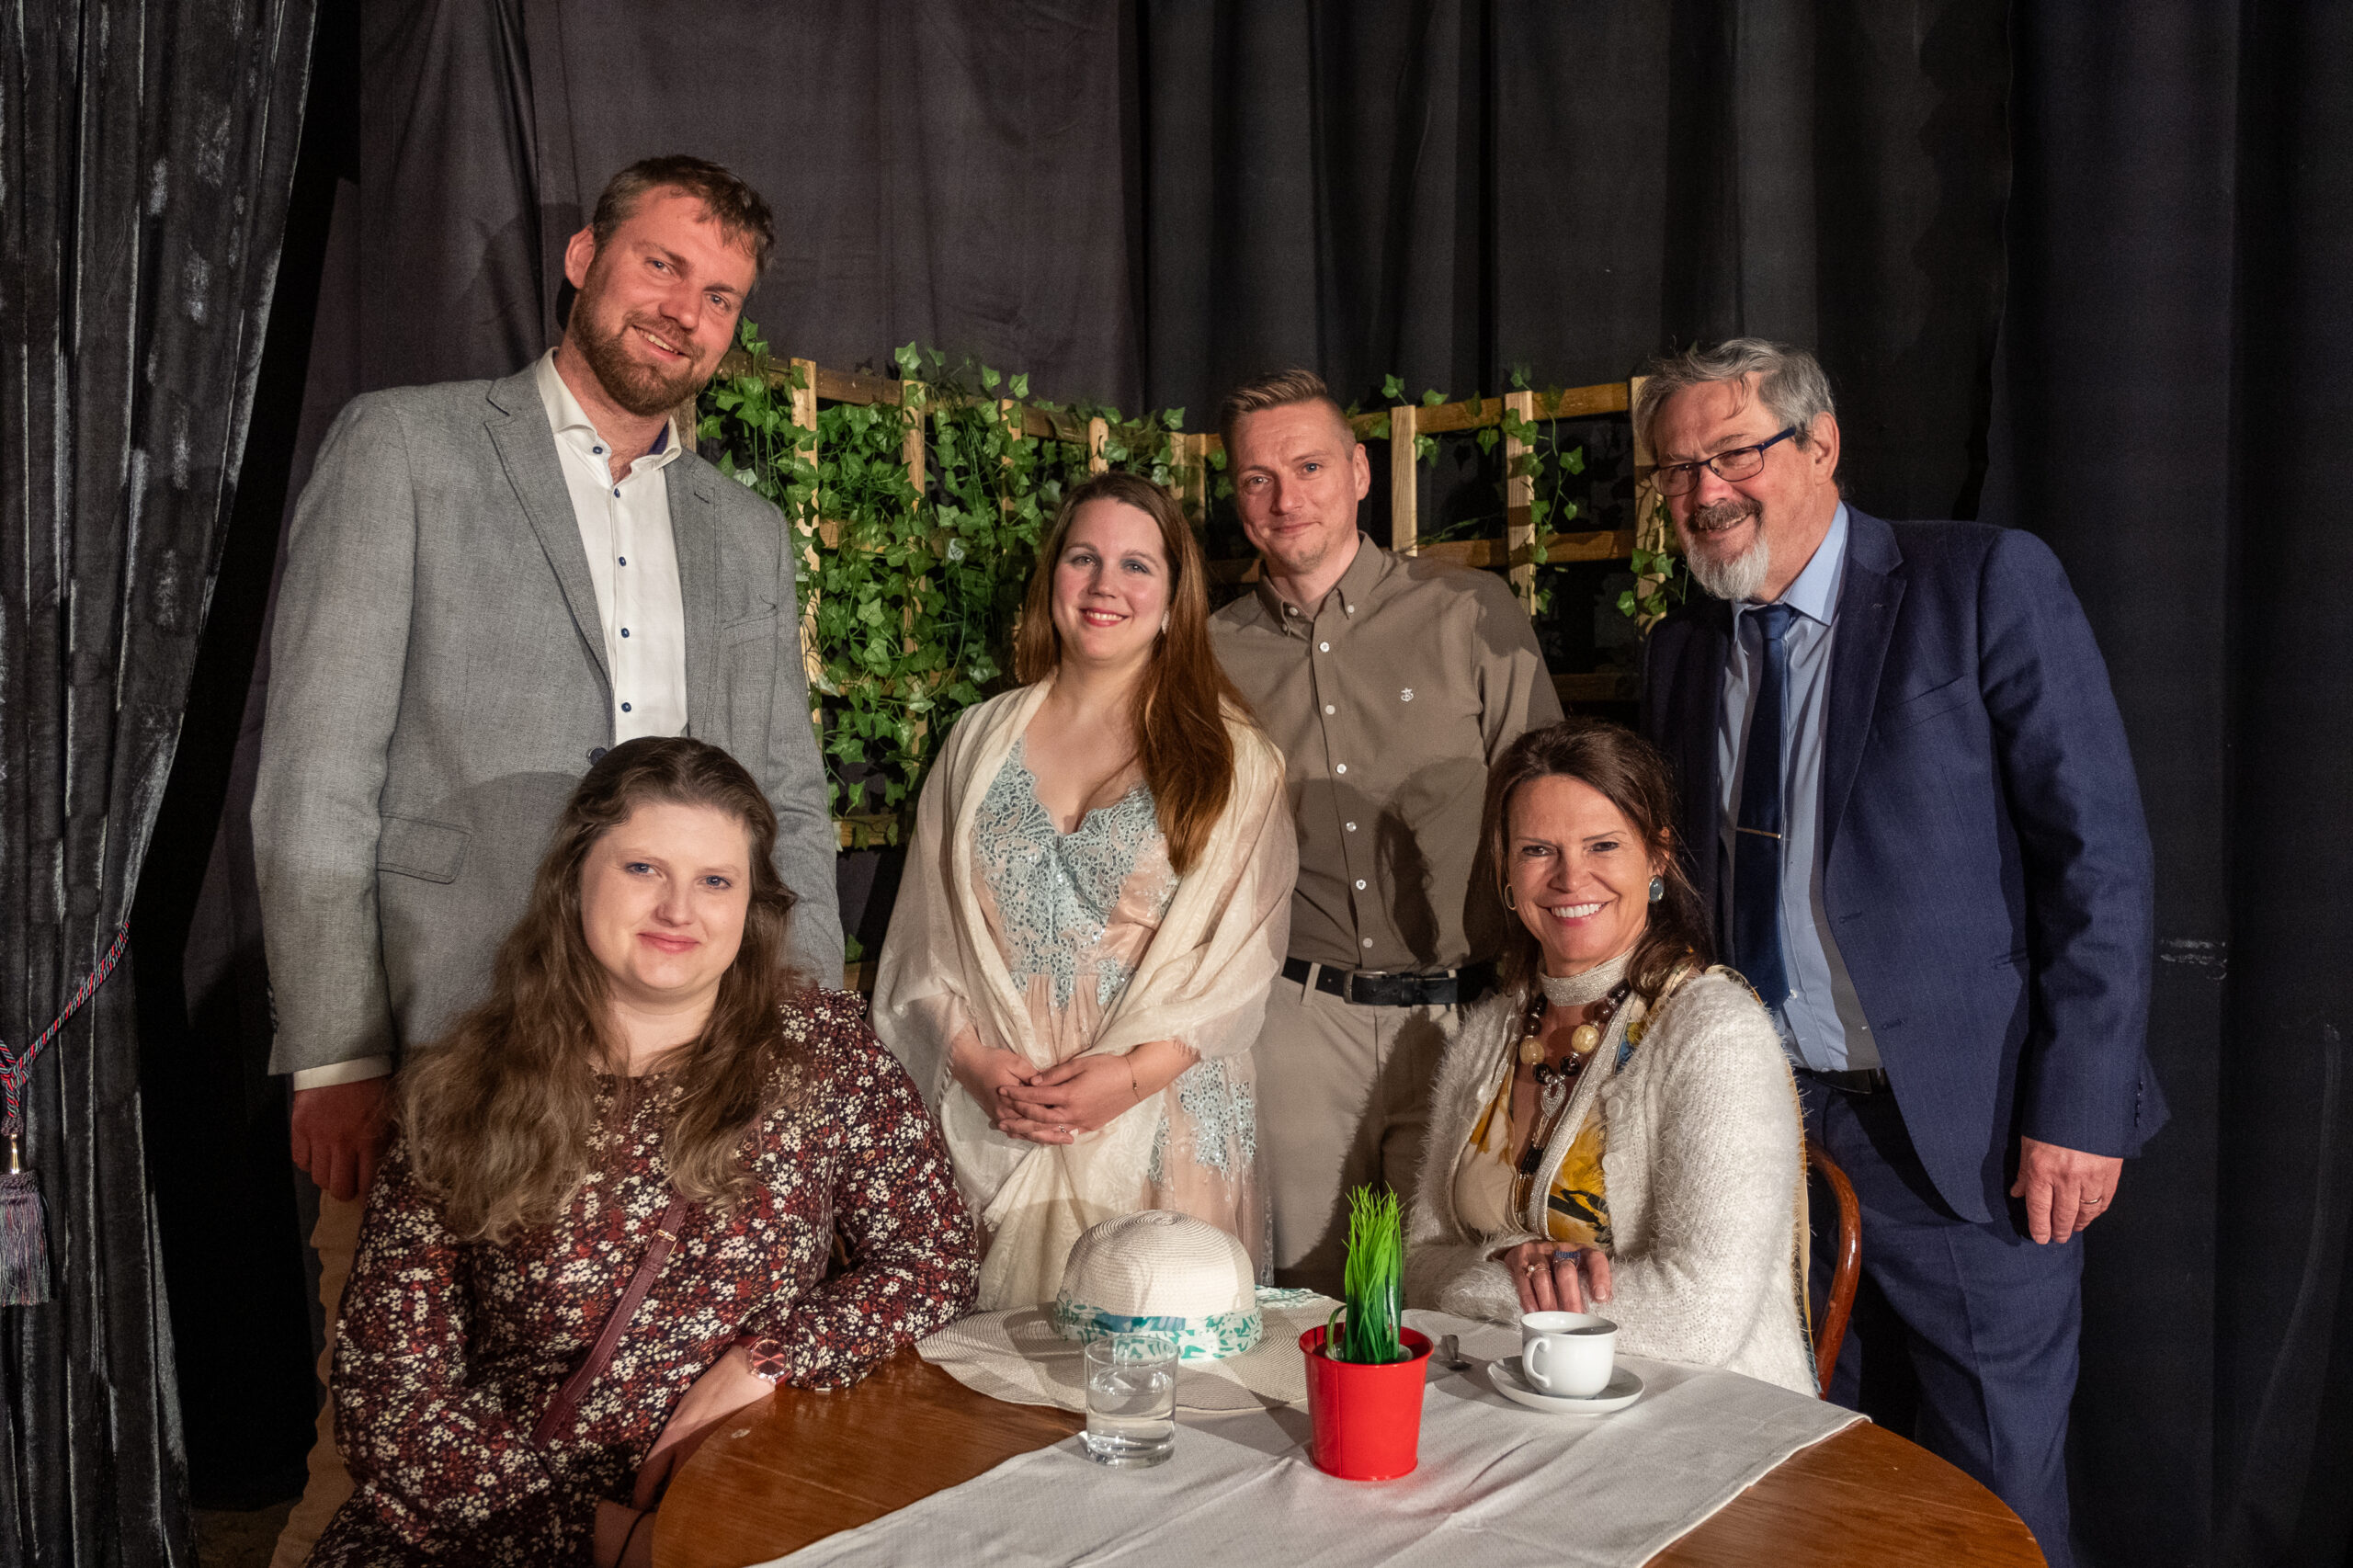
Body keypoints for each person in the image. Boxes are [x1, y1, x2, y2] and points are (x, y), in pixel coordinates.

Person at [252, 155, 843, 1562]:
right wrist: (335, 1047)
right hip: (450, 1039)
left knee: (644, 1447)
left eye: (721, 296)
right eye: (661, 265)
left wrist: (802, 1032)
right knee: (397, 1463)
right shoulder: (405, 448)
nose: (686, 311)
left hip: (682, 1071)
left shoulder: (747, 531)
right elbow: (318, 770)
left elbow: (787, 803)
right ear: (584, 258)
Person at [1635, 339, 2161, 1562]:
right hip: (1767, 1133)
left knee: (1992, 1496)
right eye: (1675, 469)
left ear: (1820, 444)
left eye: (1733, 454)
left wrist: (2081, 1105)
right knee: (1799, 1478)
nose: (1704, 490)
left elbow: (2099, 858)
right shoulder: (1683, 649)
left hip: (1966, 1140)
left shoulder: (1976, 583)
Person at [309, 737, 974, 1568]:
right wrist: (607, 1536)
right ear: (574, 878)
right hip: (494, 1524)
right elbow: (390, 1402)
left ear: (752, 905)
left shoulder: (824, 1055)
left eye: (715, 881)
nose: (677, 910)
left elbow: (935, 1260)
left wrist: (768, 1359)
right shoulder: (464, 1090)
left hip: (741, 1502)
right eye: (642, 869)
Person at [871, 471, 1295, 1311]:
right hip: (1003, 1122)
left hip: (1164, 1124)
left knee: (1159, 1358)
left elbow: (1241, 967)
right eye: (1083, 558)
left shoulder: (1235, 759)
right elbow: (923, 942)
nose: (1106, 584)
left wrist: (1128, 1078)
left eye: (1137, 565)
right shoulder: (975, 742)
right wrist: (976, 1066)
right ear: (1052, 579)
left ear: (1174, 600)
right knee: (992, 1379)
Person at [1207, 369, 1563, 1293]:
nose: (1285, 498)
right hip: (1295, 1023)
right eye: (1256, 478)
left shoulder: (1470, 612)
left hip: (1463, 1020)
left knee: (1448, 1300)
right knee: (1300, 1299)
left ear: (1360, 473)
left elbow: (1552, 813)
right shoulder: (1208, 653)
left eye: (1309, 467)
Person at [1404, 720, 1813, 1397]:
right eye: (1538, 850)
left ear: (1657, 858)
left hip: (1702, 1416)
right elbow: (1416, 1265)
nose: (1571, 877)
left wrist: (1500, 1285)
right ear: (1506, 871)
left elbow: (1700, 1317)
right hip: (1510, 1397)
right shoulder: (1488, 1033)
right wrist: (1508, 1258)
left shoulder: (1714, 1032)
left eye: (1602, 845)